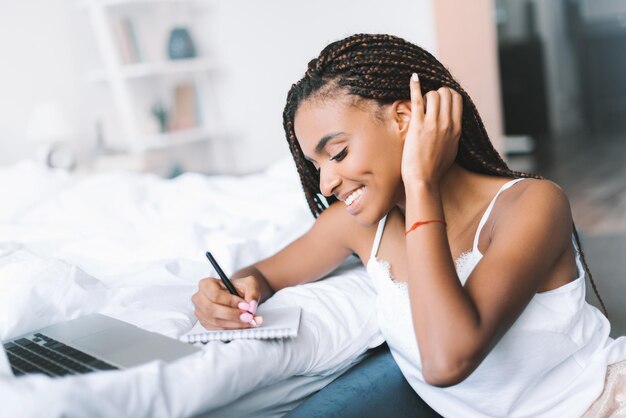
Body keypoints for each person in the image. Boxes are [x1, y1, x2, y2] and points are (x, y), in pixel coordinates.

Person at [192, 34, 626, 417]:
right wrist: (227, 294)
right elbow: (262, 275)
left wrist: (421, 181)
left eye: (338, 153)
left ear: (405, 119)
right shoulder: (357, 226)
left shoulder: (532, 204)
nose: (326, 181)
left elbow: (446, 361)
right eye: (315, 164)